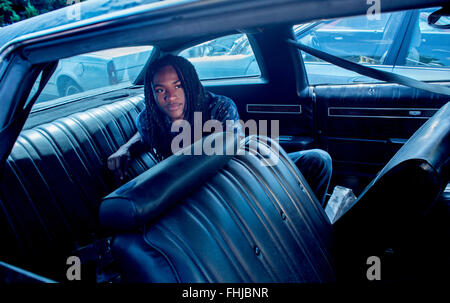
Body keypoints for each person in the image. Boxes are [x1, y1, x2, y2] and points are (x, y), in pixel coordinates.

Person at [107, 55, 332, 206]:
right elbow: (145, 131)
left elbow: (236, 157)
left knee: (317, 160)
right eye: (160, 90)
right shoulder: (148, 120)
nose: (171, 96)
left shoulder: (219, 107)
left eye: (178, 85)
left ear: (191, 85)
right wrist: (126, 147)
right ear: (152, 94)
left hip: (238, 175)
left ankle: (306, 222)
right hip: (193, 195)